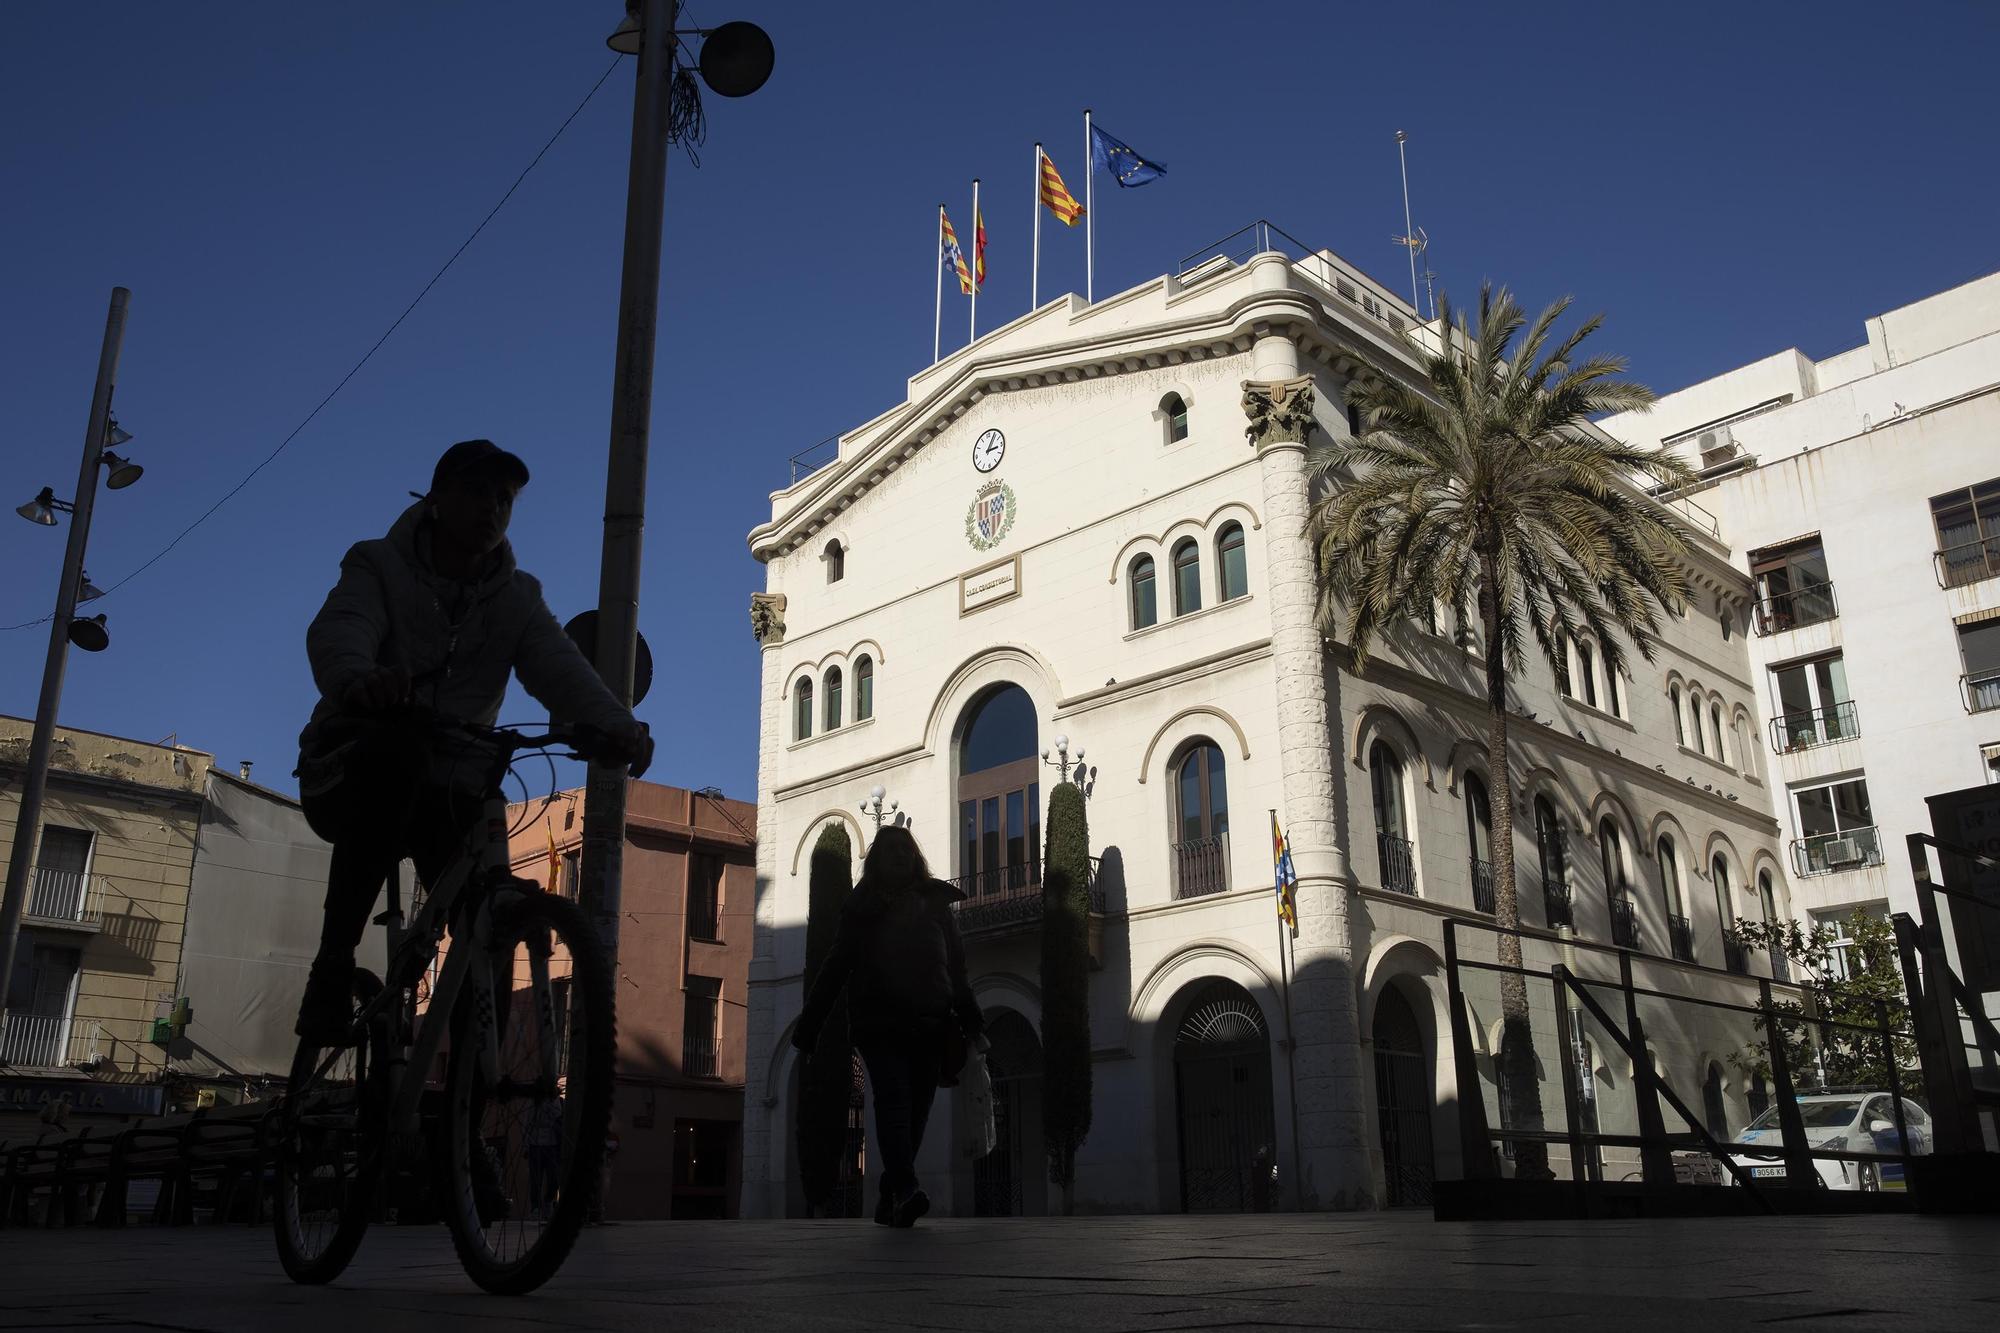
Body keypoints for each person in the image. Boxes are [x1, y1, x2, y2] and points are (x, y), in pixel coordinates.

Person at [292, 439, 653, 1045]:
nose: (492, 507)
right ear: (434, 501)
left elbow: (559, 668)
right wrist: (360, 680)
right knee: (396, 758)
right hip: (352, 766)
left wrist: (614, 725)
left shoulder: (519, 598)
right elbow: (343, 626)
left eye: (505, 498)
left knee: (484, 904)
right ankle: (331, 970)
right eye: (477, 491)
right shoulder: (376, 564)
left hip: (451, 786)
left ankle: (462, 1076)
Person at [792, 826, 982, 1227]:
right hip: (881, 1025)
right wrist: (809, 1030)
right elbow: (834, 968)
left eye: (906, 849)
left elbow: (958, 970)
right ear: (875, 859)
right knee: (895, 1104)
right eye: (891, 849)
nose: (899, 855)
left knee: (916, 1116)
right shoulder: (861, 908)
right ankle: (908, 1187)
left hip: (931, 1024)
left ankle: (889, 1193)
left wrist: (972, 1024)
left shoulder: (935, 904)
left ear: (915, 858)